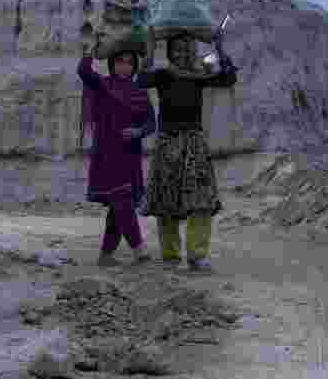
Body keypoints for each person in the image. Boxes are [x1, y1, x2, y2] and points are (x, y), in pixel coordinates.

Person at [136, 33, 238, 272]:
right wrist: (148, 56)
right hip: (168, 143)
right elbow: (140, 80)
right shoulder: (163, 75)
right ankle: (170, 255)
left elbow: (229, 77)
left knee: (201, 200)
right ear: (170, 53)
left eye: (189, 49)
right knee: (165, 200)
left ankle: (197, 255)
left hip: (194, 143)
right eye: (178, 49)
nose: (184, 53)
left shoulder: (198, 77)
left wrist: (220, 49)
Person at [78, 43, 157, 267]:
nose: (125, 67)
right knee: (121, 200)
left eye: (129, 63)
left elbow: (151, 123)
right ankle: (139, 249)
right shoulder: (103, 85)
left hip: (129, 156)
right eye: (120, 62)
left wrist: (138, 131)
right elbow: (84, 72)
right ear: (112, 64)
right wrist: (89, 52)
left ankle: (106, 255)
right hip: (107, 155)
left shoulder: (139, 93)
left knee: (119, 206)